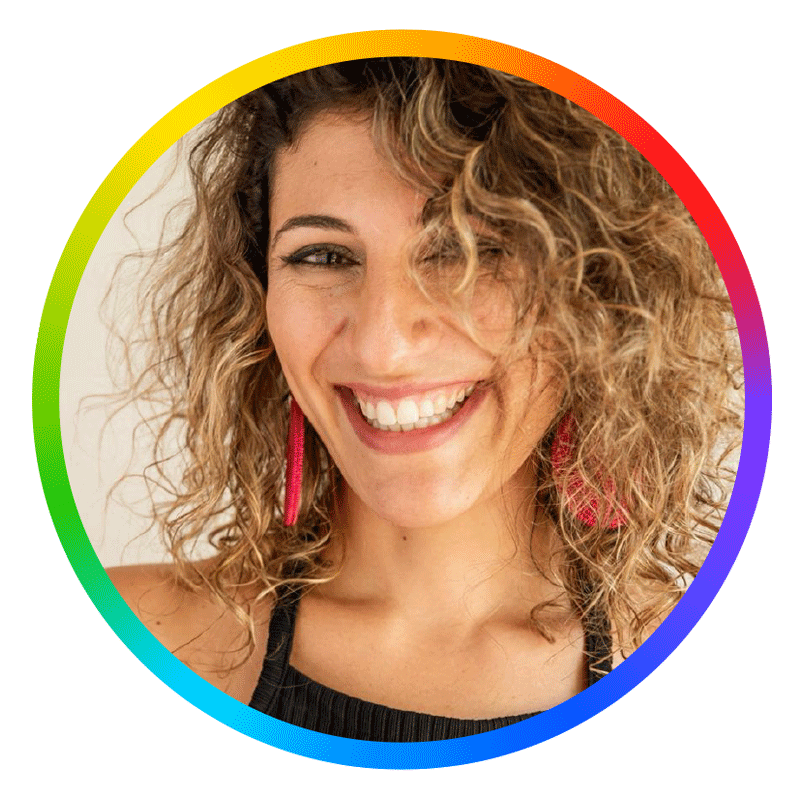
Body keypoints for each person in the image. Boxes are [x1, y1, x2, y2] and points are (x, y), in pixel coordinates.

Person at [108, 58, 742, 742]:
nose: (382, 347)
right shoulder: (121, 642)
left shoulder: (727, 689)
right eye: (323, 256)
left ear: (596, 293)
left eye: (469, 250)